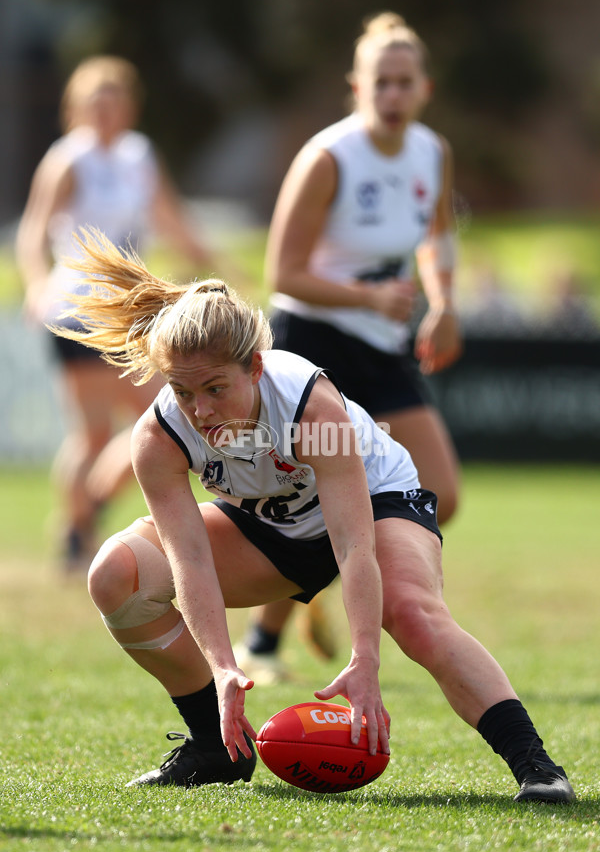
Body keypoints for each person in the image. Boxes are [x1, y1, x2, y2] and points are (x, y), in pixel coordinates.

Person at [51, 228, 575, 804]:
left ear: (254, 367)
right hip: (273, 527)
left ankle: (536, 766)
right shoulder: (158, 436)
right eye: (182, 390)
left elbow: (353, 546)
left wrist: (365, 662)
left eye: (215, 388)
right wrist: (222, 668)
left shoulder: (310, 408)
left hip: (374, 505)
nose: (200, 410)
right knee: (115, 577)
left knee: (412, 613)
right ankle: (214, 749)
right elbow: (190, 557)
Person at [236, 12, 462, 682]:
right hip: (314, 347)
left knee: (440, 492)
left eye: (405, 83)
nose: (393, 96)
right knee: (313, 493)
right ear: (357, 87)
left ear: (424, 87)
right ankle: (264, 643)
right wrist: (368, 298)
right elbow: (283, 275)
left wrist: (444, 301)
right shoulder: (329, 157)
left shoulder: (432, 152)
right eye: (380, 83)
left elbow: (439, 237)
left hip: (382, 345)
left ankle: (323, 578)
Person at [15, 55, 215, 571]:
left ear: (130, 105)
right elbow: (34, 231)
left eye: (114, 97)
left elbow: (169, 217)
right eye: (94, 98)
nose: (104, 108)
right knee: (96, 431)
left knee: (160, 417)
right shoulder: (68, 160)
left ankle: (87, 513)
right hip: (80, 308)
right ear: (76, 107)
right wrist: (37, 284)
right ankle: (77, 532)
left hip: (130, 310)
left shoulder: (138, 155)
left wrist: (211, 264)